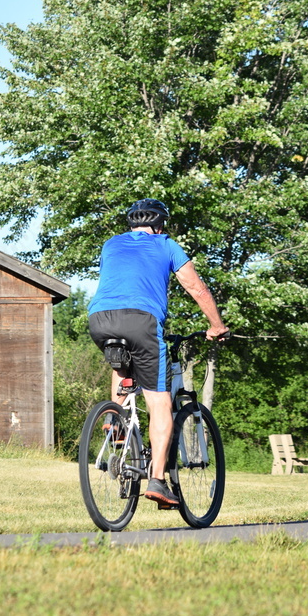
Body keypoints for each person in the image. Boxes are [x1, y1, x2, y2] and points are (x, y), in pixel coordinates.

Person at [88, 198, 229, 508]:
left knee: (123, 364)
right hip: (142, 321)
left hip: (99, 320)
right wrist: (216, 325)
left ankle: (116, 423)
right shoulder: (166, 244)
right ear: (160, 225)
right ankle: (158, 481)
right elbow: (196, 287)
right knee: (159, 401)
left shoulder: (111, 244)